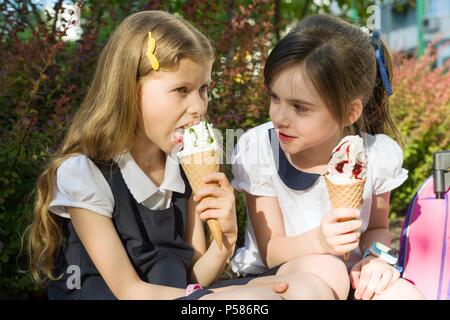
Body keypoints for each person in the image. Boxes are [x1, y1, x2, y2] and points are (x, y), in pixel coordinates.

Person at [230, 14, 425, 300]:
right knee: (327, 267)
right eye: (275, 98)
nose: (280, 117)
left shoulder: (376, 155)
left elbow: (377, 228)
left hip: (350, 277)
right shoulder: (260, 148)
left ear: (350, 111)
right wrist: (320, 241)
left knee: (405, 295)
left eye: (300, 107)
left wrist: (375, 259)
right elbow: (271, 251)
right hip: (281, 278)